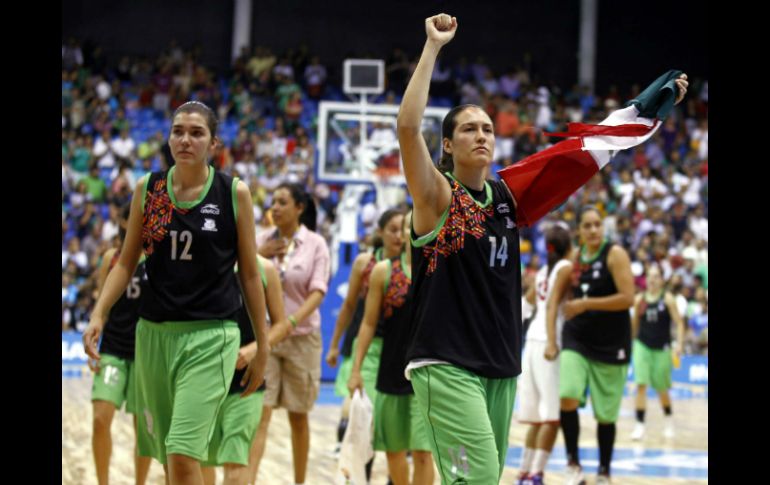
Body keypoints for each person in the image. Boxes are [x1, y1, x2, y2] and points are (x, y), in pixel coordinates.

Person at [83, 101, 269, 485]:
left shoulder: (234, 192)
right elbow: (124, 261)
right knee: (170, 461)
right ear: (168, 138)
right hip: (153, 335)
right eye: (178, 131)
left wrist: (263, 346)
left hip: (211, 336)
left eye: (196, 132)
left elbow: (250, 275)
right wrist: (99, 312)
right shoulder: (148, 189)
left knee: (184, 455)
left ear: (213, 143)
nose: (186, 139)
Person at [397, 13, 523, 483]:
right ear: (447, 144)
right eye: (469, 129)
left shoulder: (507, 200)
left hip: (500, 367)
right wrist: (432, 47)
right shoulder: (438, 196)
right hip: (446, 364)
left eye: (488, 129)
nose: (482, 135)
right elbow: (408, 130)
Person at [251, 182, 331, 485]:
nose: (275, 207)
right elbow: (237, 273)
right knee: (261, 414)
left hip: (302, 339)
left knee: (299, 416)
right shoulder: (258, 240)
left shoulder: (316, 244)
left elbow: (318, 291)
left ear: (300, 208)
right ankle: (248, 479)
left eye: (283, 202)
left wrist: (291, 322)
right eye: (273, 201)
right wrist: (258, 252)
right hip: (266, 339)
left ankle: (299, 482)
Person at [348, 211, 434, 485]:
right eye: (406, 226)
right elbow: (368, 323)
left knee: (423, 453)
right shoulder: (384, 271)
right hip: (390, 371)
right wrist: (356, 369)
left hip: (427, 375)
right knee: (394, 453)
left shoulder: (438, 269)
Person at [560, 207, 634, 485]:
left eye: (597, 225)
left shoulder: (615, 254)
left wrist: (586, 304)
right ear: (578, 230)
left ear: (603, 228)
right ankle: (572, 464)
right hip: (577, 338)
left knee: (606, 414)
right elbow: (566, 293)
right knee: (567, 394)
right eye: (587, 225)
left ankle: (604, 471)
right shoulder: (576, 258)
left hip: (612, 342)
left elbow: (628, 298)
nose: (592, 230)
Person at [201, 255, 292, 485]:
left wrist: (255, 349)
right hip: (204, 377)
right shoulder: (203, 260)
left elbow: (281, 325)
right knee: (200, 463)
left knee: (235, 465)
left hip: (246, 382)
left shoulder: (265, 269)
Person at [326, 209, 405, 457]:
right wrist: (334, 344)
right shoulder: (366, 262)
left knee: (389, 423)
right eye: (393, 229)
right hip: (366, 343)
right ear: (380, 232)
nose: (399, 236)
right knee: (359, 410)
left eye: (403, 229)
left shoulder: (412, 263)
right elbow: (349, 305)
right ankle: (349, 453)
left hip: (397, 348)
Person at [89, 204, 152, 485]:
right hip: (113, 349)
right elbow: (101, 307)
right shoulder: (111, 259)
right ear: (126, 222)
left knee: (144, 430)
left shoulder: (157, 257)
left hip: (147, 354)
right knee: (100, 419)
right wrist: (94, 340)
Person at [515, 224, 573, 485]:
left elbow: (526, 304)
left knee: (537, 420)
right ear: (568, 247)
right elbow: (550, 306)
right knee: (551, 416)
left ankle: (524, 472)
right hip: (549, 343)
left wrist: (509, 329)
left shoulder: (541, 273)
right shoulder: (564, 269)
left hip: (531, 342)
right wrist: (552, 341)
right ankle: (536, 474)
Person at [630, 263, 685, 441]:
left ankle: (668, 419)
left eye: (656, 276)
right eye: (650, 276)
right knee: (640, 385)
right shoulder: (640, 300)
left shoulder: (668, 299)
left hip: (662, 348)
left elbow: (679, 323)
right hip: (642, 346)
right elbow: (634, 324)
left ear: (661, 280)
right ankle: (639, 425)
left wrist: (680, 344)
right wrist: (629, 343)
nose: (652, 280)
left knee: (661, 388)